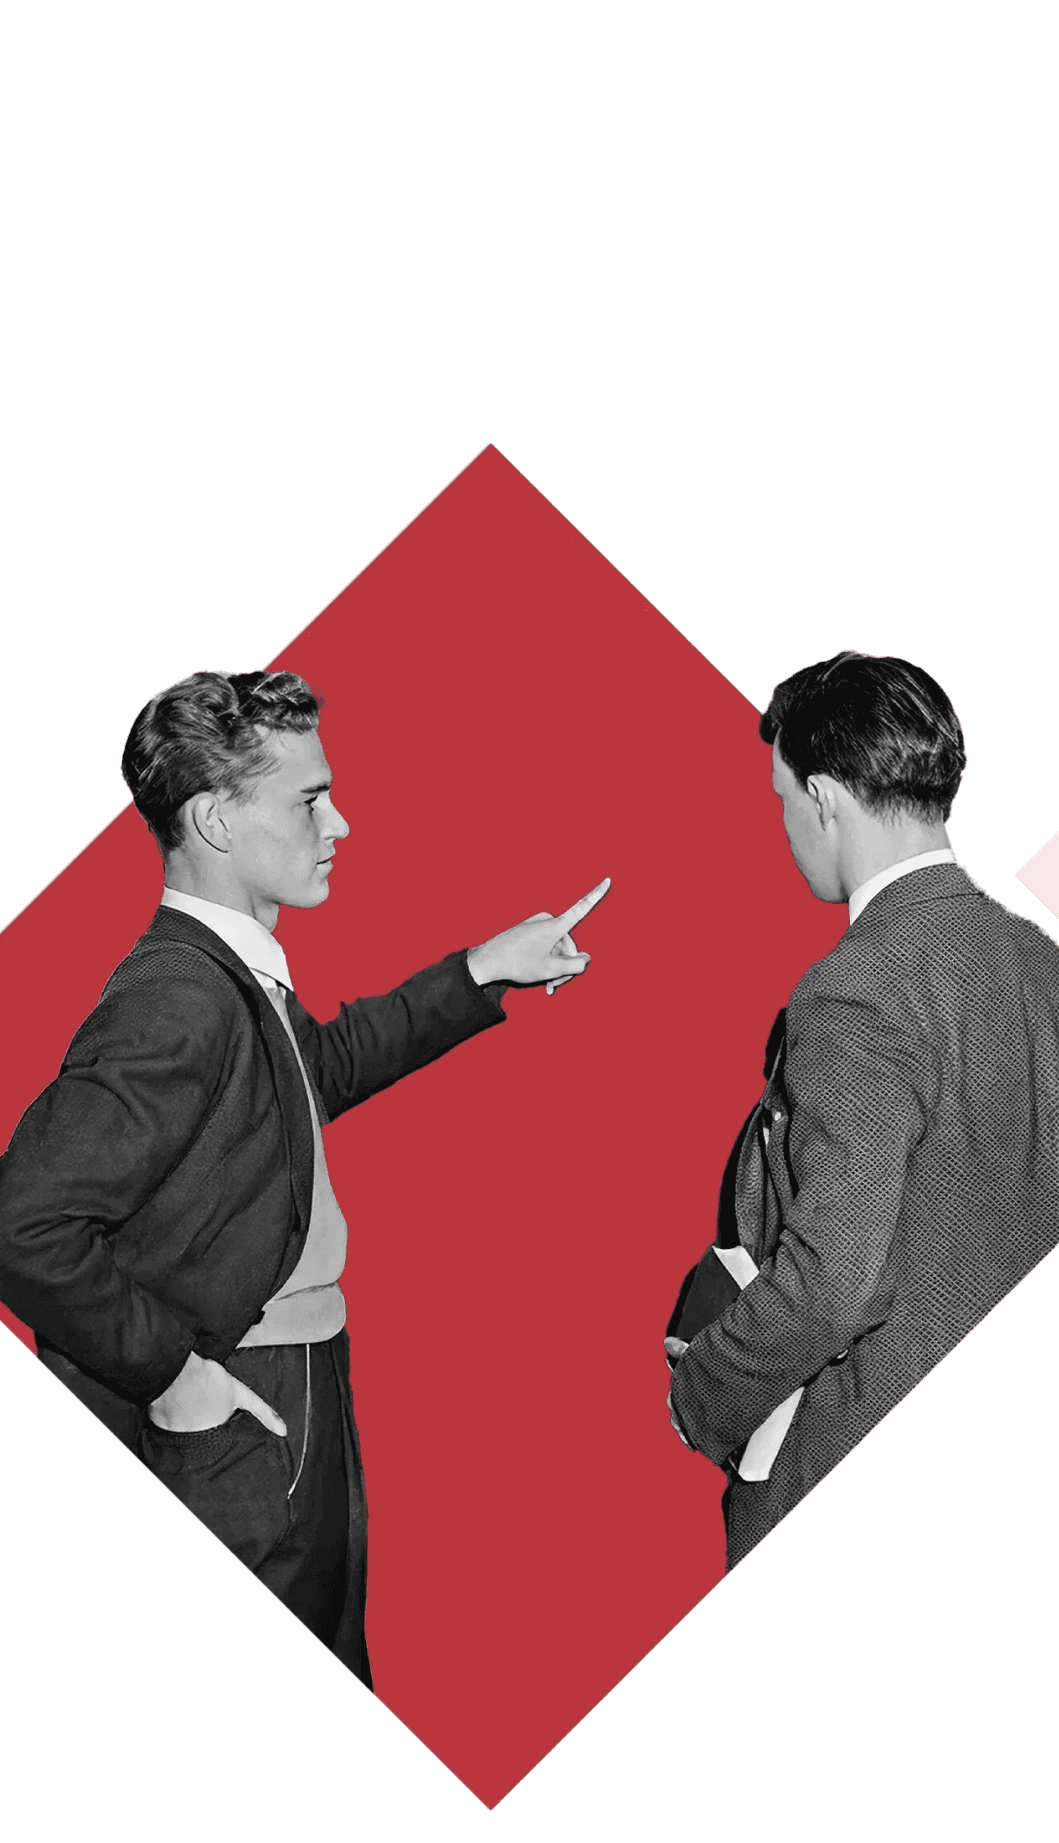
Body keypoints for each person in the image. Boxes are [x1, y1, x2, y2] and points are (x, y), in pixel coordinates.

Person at [0, 669, 606, 1682]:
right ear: (215, 821)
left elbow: (316, 1069)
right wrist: (174, 1374)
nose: (341, 823)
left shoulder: (232, 978)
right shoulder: (177, 999)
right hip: (243, 1406)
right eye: (310, 799)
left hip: (296, 1383)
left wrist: (482, 970)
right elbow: (22, 1223)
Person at [665, 652, 1059, 1568]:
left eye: (783, 797)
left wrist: (702, 1390)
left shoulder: (856, 987)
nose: (785, 824)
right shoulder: (1046, 966)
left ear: (825, 798)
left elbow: (837, 1283)